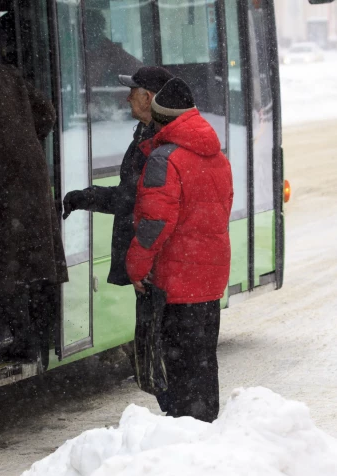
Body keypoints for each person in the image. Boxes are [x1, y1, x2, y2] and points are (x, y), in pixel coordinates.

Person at [126, 78, 233, 422]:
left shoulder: (164, 160)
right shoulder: (217, 157)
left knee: (177, 374)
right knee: (202, 364)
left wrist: (136, 268)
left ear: (159, 116)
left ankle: (186, 443)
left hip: (176, 282)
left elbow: (153, 224)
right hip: (210, 280)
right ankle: (205, 432)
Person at [0, 38, 68, 367]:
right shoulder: (8, 76)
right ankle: (29, 338)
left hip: (1, 184)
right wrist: (23, 137)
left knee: (0, 262)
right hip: (30, 179)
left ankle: (11, 338)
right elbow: (48, 113)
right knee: (25, 264)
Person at [63, 66, 173, 286]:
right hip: (152, 270)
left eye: (132, 92)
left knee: (152, 320)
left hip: (157, 272)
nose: (127, 98)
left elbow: (156, 213)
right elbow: (131, 196)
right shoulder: (145, 136)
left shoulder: (160, 144)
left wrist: (144, 264)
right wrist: (85, 197)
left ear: (147, 98)